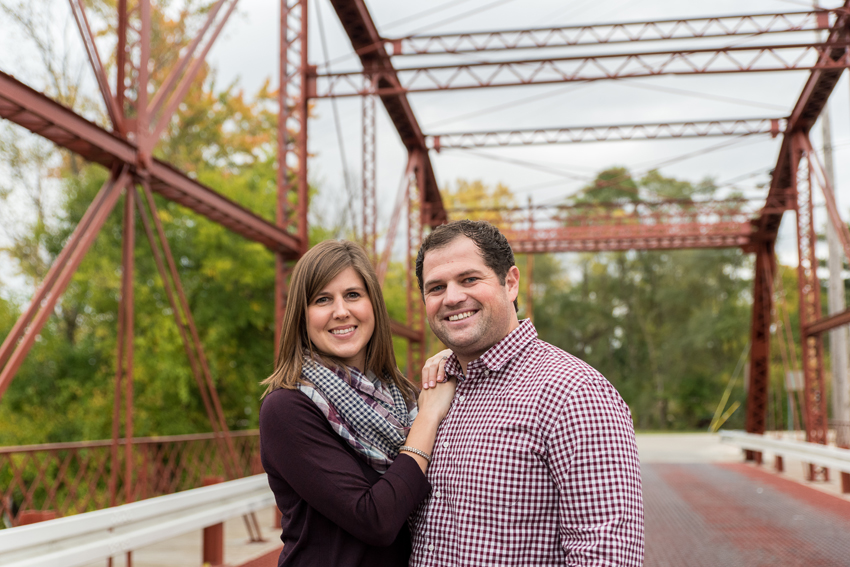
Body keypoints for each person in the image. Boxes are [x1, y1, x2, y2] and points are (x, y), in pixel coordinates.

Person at [411, 220, 645, 566]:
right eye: (436, 287)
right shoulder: (436, 392)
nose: (453, 297)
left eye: (470, 279)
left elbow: (606, 556)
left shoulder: (575, 394)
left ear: (510, 282)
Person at [259, 240, 456, 567]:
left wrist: (456, 361)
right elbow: (375, 519)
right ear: (302, 316)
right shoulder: (288, 408)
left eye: (353, 295)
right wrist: (430, 415)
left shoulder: (402, 397)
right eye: (323, 299)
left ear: (373, 306)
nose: (341, 311)